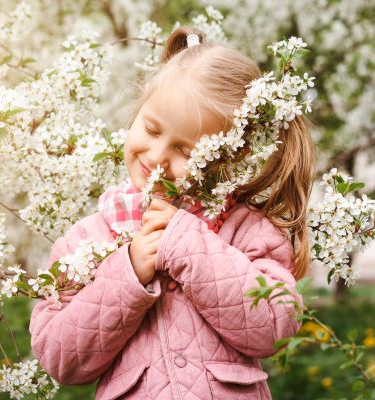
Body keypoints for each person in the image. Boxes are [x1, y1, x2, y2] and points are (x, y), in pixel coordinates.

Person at [29, 26, 314, 399]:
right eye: (151, 128)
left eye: (184, 149)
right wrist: (126, 275)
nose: (158, 155)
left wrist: (187, 243)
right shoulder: (87, 240)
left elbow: (277, 324)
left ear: (227, 158)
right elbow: (59, 358)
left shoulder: (244, 229)